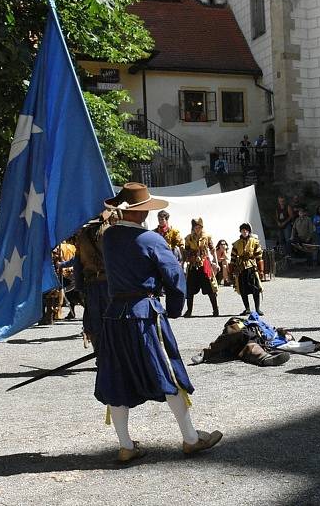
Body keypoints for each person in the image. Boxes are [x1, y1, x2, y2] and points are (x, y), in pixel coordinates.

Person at [97, 182, 222, 462]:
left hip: (114, 315)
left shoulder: (109, 238)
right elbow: (175, 277)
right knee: (168, 371)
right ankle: (191, 438)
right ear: (142, 213)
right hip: (144, 314)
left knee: (117, 377)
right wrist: (175, 309)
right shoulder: (152, 240)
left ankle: (126, 445)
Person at [191, 313, 320, 366]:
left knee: (251, 346)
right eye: (288, 333)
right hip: (242, 330)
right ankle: (206, 353)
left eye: (289, 335)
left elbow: (294, 346)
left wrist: (314, 345)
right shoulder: (271, 329)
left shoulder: (282, 341)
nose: (289, 334)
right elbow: (253, 316)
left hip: (253, 342)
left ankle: (266, 359)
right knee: (237, 329)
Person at [73, 211, 111, 348]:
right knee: (113, 321)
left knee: (95, 323)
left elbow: (77, 264)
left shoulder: (81, 236)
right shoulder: (111, 233)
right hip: (110, 284)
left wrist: (79, 288)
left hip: (91, 285)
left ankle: (100, 355)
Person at [183, 217, 219, 317]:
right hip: (193, 265)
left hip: (205, 264)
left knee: (210, 288)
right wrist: (185, 262)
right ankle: (189, 311)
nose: (197, 229)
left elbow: (213, 250)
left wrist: (216, 262)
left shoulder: (207, 237)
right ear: (193, 228)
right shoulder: (188, 238)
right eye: (195, 227)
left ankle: (215, 309)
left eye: (199, 227)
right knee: (190, 289)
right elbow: (186, 252)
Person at [230, 222, 265, 315]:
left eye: (246, 230)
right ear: (240, 231)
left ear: (249, 231)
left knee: (256, 289)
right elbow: (232, 258)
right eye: (242, 230)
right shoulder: (236, 244)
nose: (244, 231)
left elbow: (259, 257)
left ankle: (257, 309)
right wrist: (231, 272)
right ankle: (247, 309)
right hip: (241, 269)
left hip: (251, 268)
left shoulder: (255, 242)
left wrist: (261, 271)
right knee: (242, 289)